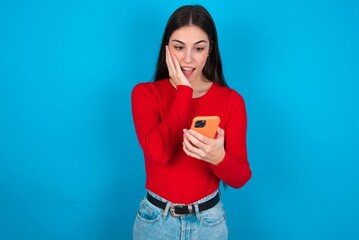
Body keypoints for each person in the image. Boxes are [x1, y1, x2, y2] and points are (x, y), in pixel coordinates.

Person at [131, 5, 251, 240]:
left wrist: (218, 158)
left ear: (210, 50)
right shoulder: (145, 94)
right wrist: (184, 93)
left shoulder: (231, 101)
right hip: (155, 222)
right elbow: (160, 152)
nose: (188, 59)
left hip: (209, 223)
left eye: (198, 48)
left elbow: (240, 178)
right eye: (178, 47)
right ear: (166, 48)